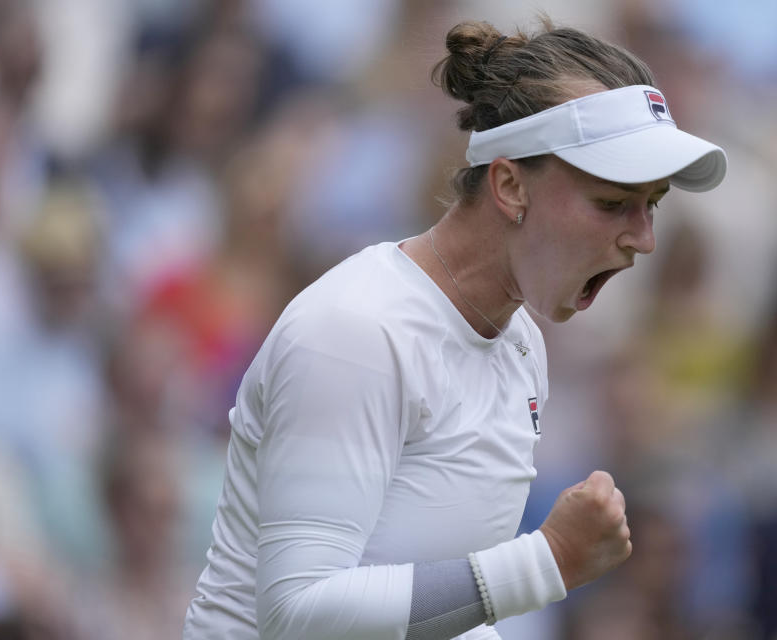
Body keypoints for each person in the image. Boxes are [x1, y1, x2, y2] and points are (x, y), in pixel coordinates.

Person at [183, 18, 726, 640]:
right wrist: (545, 562)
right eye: (612, 204)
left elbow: (443, 618)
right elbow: (300, 613)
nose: (644, 239)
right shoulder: (356, 331)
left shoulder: (521, 347)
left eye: (651, 204)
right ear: (509, 184)